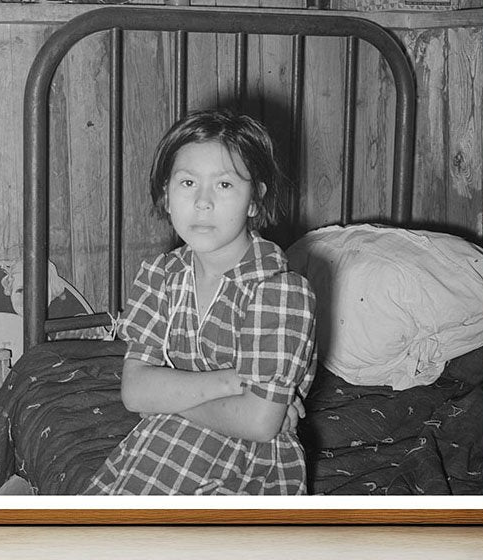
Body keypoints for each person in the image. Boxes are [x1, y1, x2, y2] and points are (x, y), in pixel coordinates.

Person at [84, 110, 317, 496]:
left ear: (255, 200)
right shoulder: (160, 275)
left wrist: (166, 397)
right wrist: (231, 382)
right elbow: (134, 392)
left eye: (225, 185)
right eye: (188, 182)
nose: (203, 202)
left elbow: (258, 424)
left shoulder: (281, 291)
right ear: (166, 195)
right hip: (159, 444)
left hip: (249, 461)